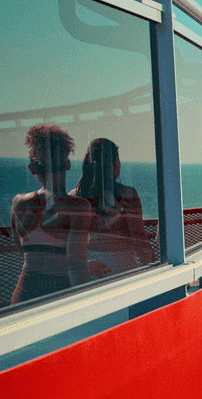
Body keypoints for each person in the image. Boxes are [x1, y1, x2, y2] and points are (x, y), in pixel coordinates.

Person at [9, 125, 92, 304]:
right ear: (68, 165)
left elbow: (23, 250)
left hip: (24, 293)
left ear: (32, 168)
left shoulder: (18, 202)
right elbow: (76, 266)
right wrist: (88, 303)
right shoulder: (78, 207)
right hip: (60, 292)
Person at [71, 138, 153, 277]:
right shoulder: (127, 195)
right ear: (115, 164)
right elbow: (140, 241)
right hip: (123, 270)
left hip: (90, 271)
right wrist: (155, 272)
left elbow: (70, 244)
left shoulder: (75, 196)